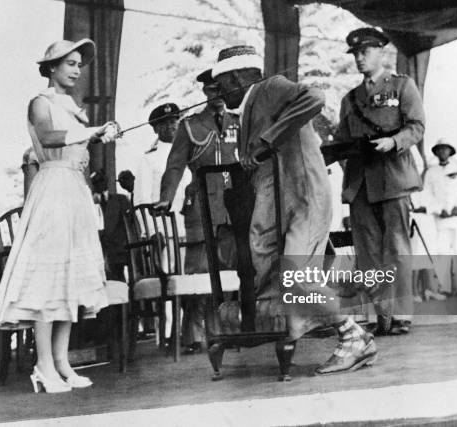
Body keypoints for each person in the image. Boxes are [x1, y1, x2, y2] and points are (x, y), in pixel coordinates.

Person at [213, 45, 377, 375]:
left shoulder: (270, 87)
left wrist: (267, 140)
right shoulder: (249, 109)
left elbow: (315, 97)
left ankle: (354, 336)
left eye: (222, 83)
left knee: (295, 276)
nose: (218, 91)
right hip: (282, 200)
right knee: (277, 275)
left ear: (238, 77)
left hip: (304, 196)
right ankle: (334, 331)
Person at [0, 39, 118, 393]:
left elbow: (80, 157)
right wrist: (91, 132)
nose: (77, 69)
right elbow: (48, 137)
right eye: (69, 63)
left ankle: (62, 363)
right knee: (49, 279)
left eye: (79, 64)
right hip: (51, 191)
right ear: (51, 68)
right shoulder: (40, 102)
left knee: (71, 279)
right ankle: (43, 365)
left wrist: (98, 139)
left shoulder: (75, 109)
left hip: (75, 193)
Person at [333, 28, 425, 335]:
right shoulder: (350, 99)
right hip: (360, 186)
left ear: (380, 52)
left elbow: (417, 127)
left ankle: (401, 316)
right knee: (369, 256)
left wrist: (394, 142)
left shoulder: (401, 86)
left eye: (365, 52)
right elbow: (341, 140)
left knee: (396, 251)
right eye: (356, 53)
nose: (359, 58)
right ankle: (381, 317)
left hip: (394, 180)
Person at [155, 69, 240, 354]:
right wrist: (165, 198)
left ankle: (227, 332)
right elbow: (175, 164)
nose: (218, 96)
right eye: (212, 91)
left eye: (222, 90)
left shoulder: (238, 122)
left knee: (230, 270)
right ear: (205, 93)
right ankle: (193, 336)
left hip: (234, 205)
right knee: (198, 272)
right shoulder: (190, 125)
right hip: (201, 205)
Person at [423, 139, 457, 295]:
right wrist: (438, 209)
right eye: (439, 149)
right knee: (442, 251)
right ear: (436, 152)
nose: (442, 152)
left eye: (445, 149)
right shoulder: (431, 172)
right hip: (441, 219)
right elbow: (427, 194)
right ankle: (445, 288)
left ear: (450, 151)